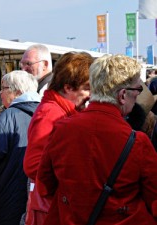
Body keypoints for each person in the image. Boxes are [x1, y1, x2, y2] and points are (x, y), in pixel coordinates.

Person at [36, 54, 157, 224]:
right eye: (137, 90)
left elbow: (44, 185)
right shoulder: (137, 141)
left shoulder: (61, 129)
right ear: (122, 95)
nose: (138, 96)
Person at [23, 52, 94, 225]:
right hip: (50, 209)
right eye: (86, 88)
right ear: (68, 87)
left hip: (55, 206)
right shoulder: (51, 113)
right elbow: (33, 166)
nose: (90, 95)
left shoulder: (62, 110)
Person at [0, 70, 41, 225]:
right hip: (32, 191)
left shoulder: (8, 116)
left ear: (16, 92)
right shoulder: (44, 112)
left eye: (3, 88)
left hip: (6, 192)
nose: (0, 92)